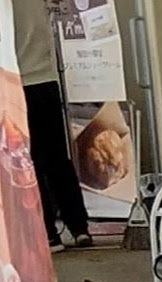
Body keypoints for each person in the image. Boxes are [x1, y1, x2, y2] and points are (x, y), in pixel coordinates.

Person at [11, 0, 91, 248]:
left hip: (13, 83)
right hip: (45, 78)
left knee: (29, 161)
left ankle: (48, 232)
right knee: (57, 157)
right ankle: (79, 228)